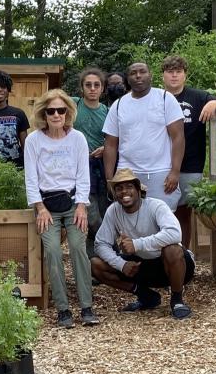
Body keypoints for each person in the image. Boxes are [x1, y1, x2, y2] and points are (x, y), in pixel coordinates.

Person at [24, 88, 98, 328]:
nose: (56, 115)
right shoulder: (34, 140)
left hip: (72, 203)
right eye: (51, 111)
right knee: (53, 253)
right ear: (44, 114)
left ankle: (86, 306)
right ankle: (63, 310)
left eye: (61, 110)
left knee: (78, 249)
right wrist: (39, 207)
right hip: (47, 205)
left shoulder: (77, 138)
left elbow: (83, 175)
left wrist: (82, 206)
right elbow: (31, 178)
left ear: (68, 112)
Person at [90, 168, 194, 320]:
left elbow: (174, 234)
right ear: (114, 193)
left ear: (139, 190)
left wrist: (137, 244)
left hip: (174, 266)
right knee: (95, 264)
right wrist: (121, 264)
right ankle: (146, 296)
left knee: (172, 249)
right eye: (119, 188)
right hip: (141, 265)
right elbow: (100, 244)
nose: (124, 192)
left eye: (129, 187)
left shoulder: (156, 206)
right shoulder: (113, 211)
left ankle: (177, 300)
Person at [161, 55, 216, 246]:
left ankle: (183, 255)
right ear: (163, 76)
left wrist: (214, 103)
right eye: (170, 72)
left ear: (185, 75)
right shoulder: (157, 97)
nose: (174, 76)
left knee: (184, 213)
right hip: (161, 165)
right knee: (163, 212)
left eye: (178, 72)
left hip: (191, 165)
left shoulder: (198, 97)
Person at [103, 61, 185, 210]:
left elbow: (178, 137)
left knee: (162, 220)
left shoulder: (166, 98)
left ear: (150, 75)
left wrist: (175, 171)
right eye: (133, 73)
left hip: (160, 173)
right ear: (127, 79)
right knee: (128, 222)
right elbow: (110, 144)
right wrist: (110, 179)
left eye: (142, 72)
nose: (138, 76)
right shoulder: (119, 105)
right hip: (126, 174)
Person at [71, 67, 110, 257]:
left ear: (102, 88)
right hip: (77, 171)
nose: (92, 88)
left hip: (101, 171)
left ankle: (94, 266)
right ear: (82, 88)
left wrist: (106, 148)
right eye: (88, 85)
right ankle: (113, 253)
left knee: (102, 215)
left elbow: (115, 139)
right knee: (93, 219)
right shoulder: (73, 106)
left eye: (97, 85)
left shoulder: (107, 111)